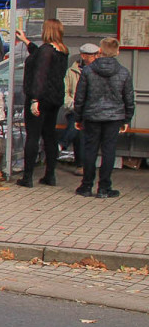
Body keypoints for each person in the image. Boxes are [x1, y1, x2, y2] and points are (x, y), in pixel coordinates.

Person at [74, 37, 135, 199]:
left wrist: (78, 117)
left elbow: (80, 97)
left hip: (92, 115)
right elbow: (129, 98)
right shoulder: (123, 72)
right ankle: (104, 187)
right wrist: (127, 119)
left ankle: (86, 186)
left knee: (90, 150)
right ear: (117, 51)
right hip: (114, 117)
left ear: (100, 51)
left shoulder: (88, 71)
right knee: (109, 151)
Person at [14, 19, 70, 187]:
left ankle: (27, 177)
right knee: (49, 136)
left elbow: (40, 74)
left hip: (41, 98)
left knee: (33, 136)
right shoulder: (62, 50)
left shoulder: (46, 50)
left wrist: (34, 99)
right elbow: (40, 55)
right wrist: (26, 42)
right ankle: (50, 174)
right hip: (55, 98)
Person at [60, 43, 100, 172]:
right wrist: (73, 105)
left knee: (79, 124)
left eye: (96, 55)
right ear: (83, 56)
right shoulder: (71, 71)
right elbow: (65, 92)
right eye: (92, 55)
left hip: (93, 110)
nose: (95, 57)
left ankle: (62, 145)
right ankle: (82, 165)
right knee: (79, 124)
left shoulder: (99, 71)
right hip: (76, 108)